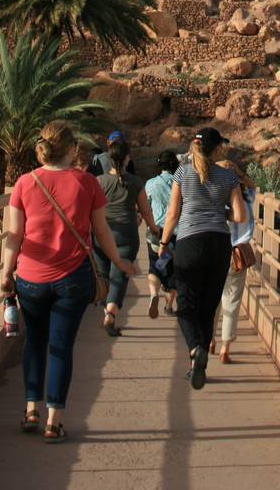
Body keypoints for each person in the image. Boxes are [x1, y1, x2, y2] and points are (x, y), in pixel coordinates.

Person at [1, 120, 136, 442]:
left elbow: (15, 235)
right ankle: (53, 420)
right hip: (73, 279)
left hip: (31, 276)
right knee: (61, 347)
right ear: (73, 149)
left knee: (34, 341)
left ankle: (31, 408)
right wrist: (118, 262)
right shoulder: (86, 183)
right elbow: (101, 232)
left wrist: (7, 273)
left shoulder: (24, 183)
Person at [159, 127, 247, 390]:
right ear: (217, 148)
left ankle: (195, 350)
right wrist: (220, 212)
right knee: (208, 308)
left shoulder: (182, 173)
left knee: (186, 304)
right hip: (219, 244)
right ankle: (200, 365)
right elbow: (241, 216)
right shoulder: (228, 176)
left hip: (189, 243)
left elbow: (173, 213)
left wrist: (163, 244)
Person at [94, 138, 159, 336]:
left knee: (105, 276)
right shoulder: (135, 182)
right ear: (126, 159)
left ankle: (108, 311)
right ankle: (111, 313)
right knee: (119, 277)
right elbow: (146, 211)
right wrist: (154, 229)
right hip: (127, 237)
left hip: (101, 235)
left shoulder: (99, 181)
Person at [210, 160, 256, 363]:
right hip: (238, 254)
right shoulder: (246, 198)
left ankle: (209, 340)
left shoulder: (216, 200)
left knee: (213, 301)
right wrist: (239, 172)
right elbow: (253, 186)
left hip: (216, 252)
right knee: (232, 301)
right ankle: (225, 349)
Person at [144, 150, 179, 319]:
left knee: (155, 266)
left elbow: (146, 207)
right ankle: (169, 306)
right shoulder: (181, 182)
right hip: (175, 235)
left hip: (156, 234)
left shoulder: (150, 184)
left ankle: (153, 294)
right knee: (171, 271)